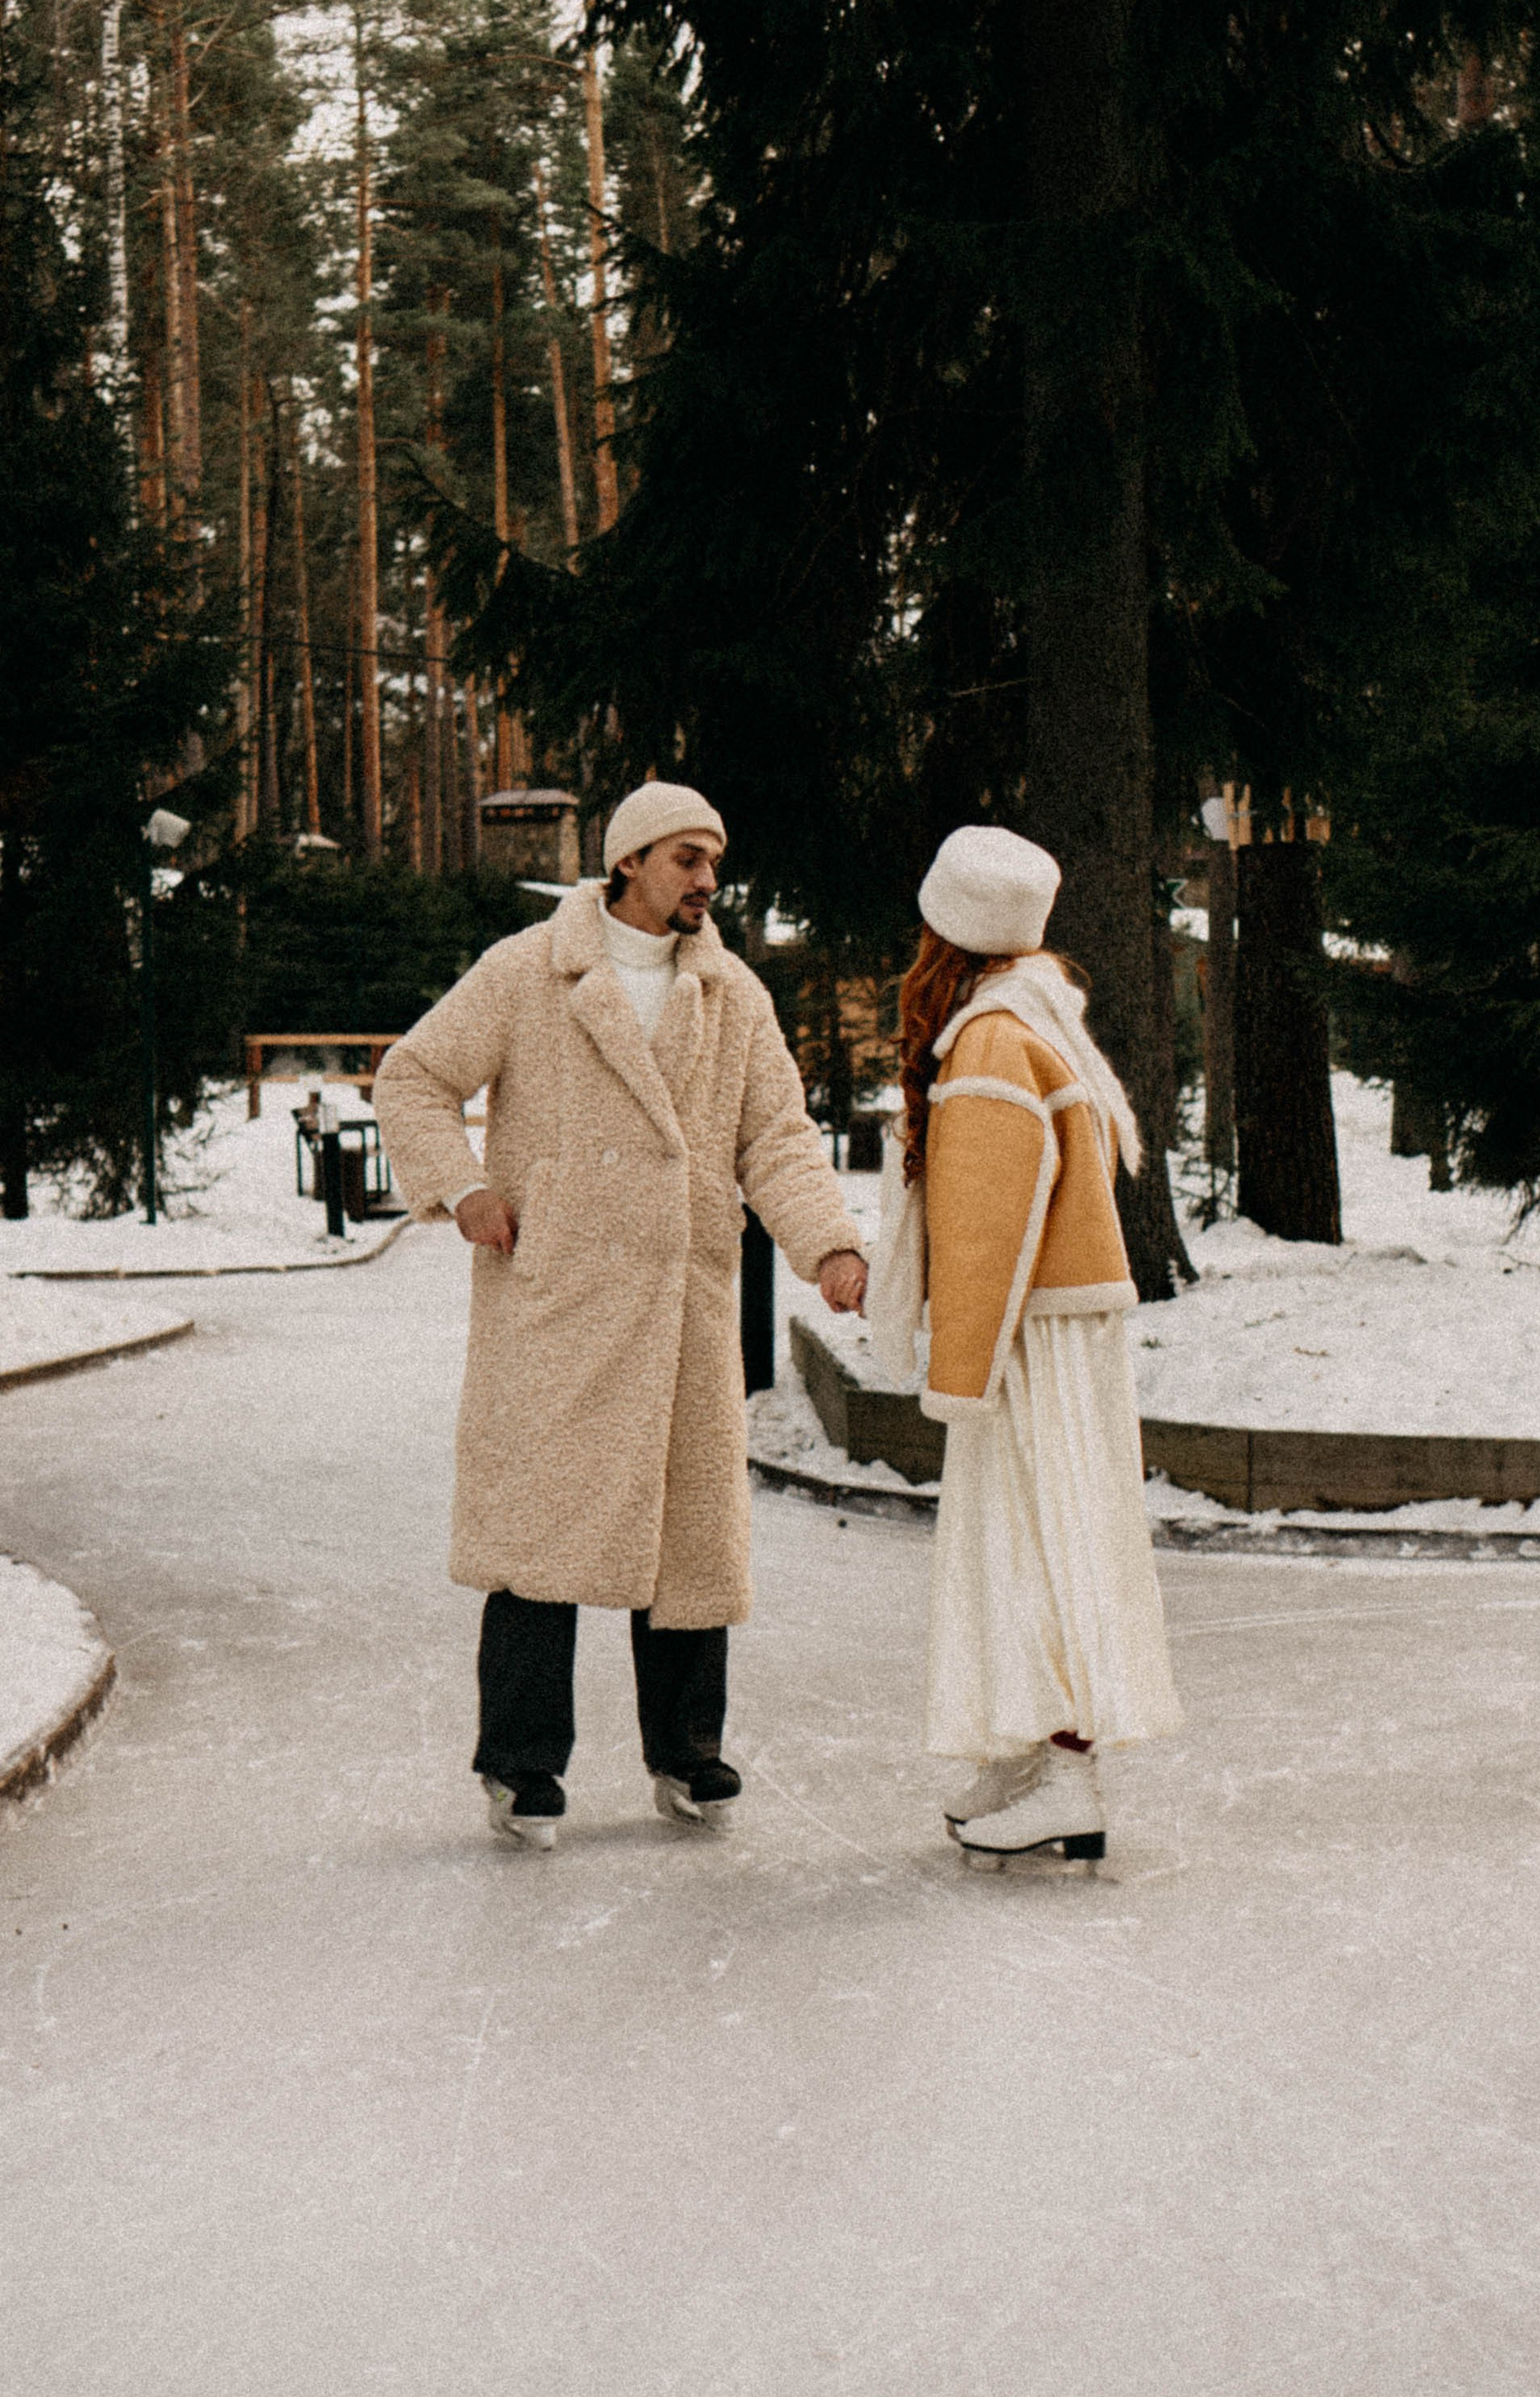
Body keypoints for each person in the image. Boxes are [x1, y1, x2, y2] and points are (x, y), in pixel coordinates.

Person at [375, 781, 868, 1850]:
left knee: (689, 1538)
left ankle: (687, 1752)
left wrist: (827, 1244)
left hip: (685, 1305)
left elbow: (777, 1137)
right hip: (559, 1303)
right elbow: (412, 1079)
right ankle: (520, 1765)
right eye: (688, 858)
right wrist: (464, 1188)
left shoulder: (732, 995)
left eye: (715, 861)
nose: (707, 880)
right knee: (539, 1539)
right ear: (630, 861)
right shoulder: (529, 971)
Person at [893, 824, 1180, 1861]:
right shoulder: (1042, 1022)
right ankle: (1032, 1752)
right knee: (1043, 1538)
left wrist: (957, 1372)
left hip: (1026, 1341)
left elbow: (987, 1230)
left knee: (1038, 1543)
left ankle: (1067, 1776)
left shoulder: (989, 1044)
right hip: (1059, 1333)